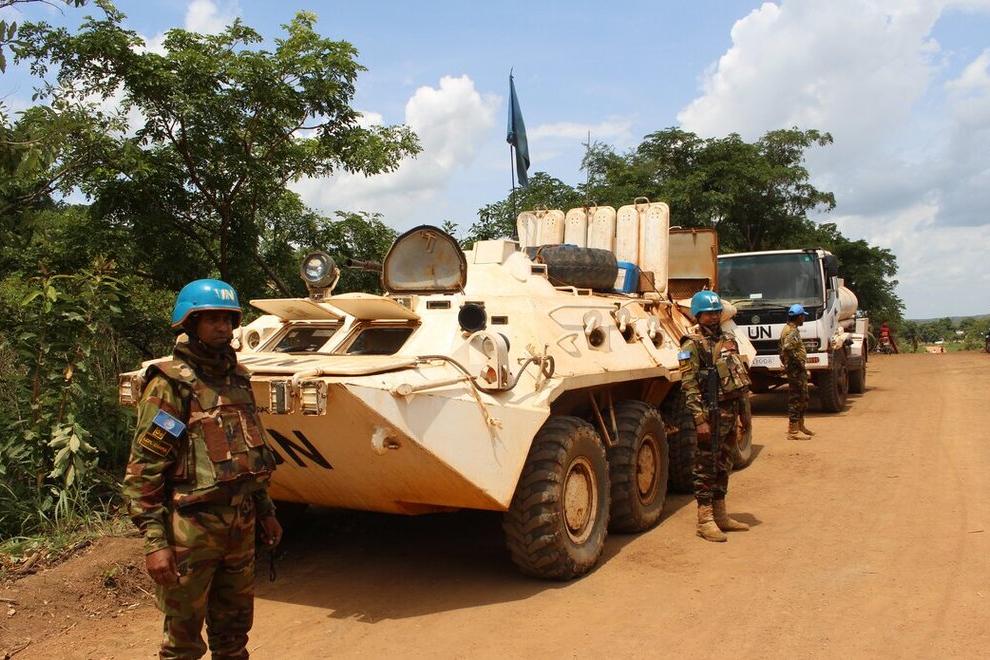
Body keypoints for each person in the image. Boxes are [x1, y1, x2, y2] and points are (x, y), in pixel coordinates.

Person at [123, 279, 282, 659]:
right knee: (183, 642)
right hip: (191, 529)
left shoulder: (237, 379)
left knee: (234, 634)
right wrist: (155, 543)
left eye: (228, 319)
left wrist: (266, 511)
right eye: (212, 319)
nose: (223, 327)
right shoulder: (171, 385)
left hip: (240, 525)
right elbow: (145, 469)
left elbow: (249, 454)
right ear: (190, 323)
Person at [679, 290, 753, 543]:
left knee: (724, 464)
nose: (713, 317)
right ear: (698, 315)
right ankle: (705, 520)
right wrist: (700, 420)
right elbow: (689, 384)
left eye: (716, 312)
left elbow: (738, 379)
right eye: (708, 313)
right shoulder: (691, 344)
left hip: (731, 411)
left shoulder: (729, 340)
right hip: (710, 414)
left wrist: (742, 415)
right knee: (706, 467)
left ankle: (720, 514)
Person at [779, 304, 814, 440]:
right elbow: (787, 348)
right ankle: (793, 431)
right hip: (795, 369)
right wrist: (798, 363)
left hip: (795, 368)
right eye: (803, 316)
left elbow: (781, 348)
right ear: (799, 317)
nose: (804, 318)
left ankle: (800, 425)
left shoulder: (789, 329)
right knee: (796, 397)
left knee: (803, 396)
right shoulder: (791, 331)